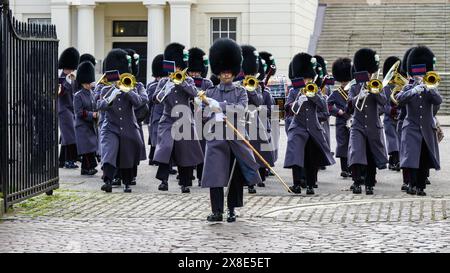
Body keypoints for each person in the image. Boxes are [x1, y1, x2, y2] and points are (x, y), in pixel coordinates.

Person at [200, 38, 262, 222]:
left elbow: (242, 109)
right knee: (215, 176)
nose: (226, 76)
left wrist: (219, 106)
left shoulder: (240, 91)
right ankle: (217, 210)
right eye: (223, 73)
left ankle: (232, 209)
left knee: (234, 178)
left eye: (229, 73)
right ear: (218, 73)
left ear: (234, 73)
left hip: (235, 137)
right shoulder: (209, 92)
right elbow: (202, 113)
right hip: (216, 137)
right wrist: (205, 109)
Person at [152, 43, 204, 193]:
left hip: (184, 119)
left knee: (184, 152)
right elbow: (155, 99)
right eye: (174, 67)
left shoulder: (188, 80)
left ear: (182, 67)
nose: (176, 70)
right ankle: (163, 180)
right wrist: (165, 88)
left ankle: (185, 182)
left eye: (178, 68)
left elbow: (194, 94)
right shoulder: (163, 81)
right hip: (168, 119)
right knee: (166, 148)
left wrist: (181, 82)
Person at [284, 53, 335, 195]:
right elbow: (287, 110)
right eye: (305, 78)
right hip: (298, 127)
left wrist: (314, 97)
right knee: (295, 155)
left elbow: (324, 112)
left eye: (309, 79)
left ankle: (311, 185)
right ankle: (296, 184)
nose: (307, 81)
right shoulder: (294, 91)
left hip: (313, 128)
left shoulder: (316, 90)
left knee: (311, 158)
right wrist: (297, 101)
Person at [97, 49, 148, 193]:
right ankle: (108, 181)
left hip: (128, 126)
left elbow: (139, 102)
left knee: (127, 154)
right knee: (109, 152)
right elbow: (100, 106)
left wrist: (127, 91)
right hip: (110, 126)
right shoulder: (106, 89)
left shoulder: (133, 86)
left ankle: (127, 183)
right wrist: (112, 94)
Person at [396, 46, 441, 196]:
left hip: (427, 128)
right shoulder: (408, 87)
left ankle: (421, 186)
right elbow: (399, 100)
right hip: (411, 127)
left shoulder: (430, 86)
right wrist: (414, 90)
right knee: (412, 158)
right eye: (417, 74)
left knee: (423, 159)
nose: (419, 76)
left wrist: (429, 88)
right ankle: (412, 184)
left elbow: (438, 100)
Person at [347, 48, 388, 195]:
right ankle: (357, 182)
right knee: (357, 153)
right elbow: (349, 107)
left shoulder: (377, 85)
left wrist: (375, 92)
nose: (368, 75)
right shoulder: (354, 87)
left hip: (373, 126)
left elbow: (384, 102)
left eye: (369, 73)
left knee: (371, 156)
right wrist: (360, 95)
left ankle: (370, 184)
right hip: (357, 125)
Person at [239, 45, 266, 194]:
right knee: (242, 153)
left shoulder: (256, 85)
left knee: (254, 153)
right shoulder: (237, 83)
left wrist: (251, 90)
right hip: (239, 121)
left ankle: (251, 182)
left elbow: (259, 102)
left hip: (253, 121)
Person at [188, 47, 214, 187]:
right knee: (187, 150)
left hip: (202, 120)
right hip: (186, 120)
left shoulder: (207, 83)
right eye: (192, 71)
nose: (195, 74)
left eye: (197, 71)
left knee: (202, 150)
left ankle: (200, 176)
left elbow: (210, 102)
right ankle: (186, 176)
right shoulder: (185, 82)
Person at [124, 48, 149, 186]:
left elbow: (143, 99)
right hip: (117, 122)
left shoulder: (138, 85)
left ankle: (132, 175)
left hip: (134, 121)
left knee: (133, 150)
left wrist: (130, 92)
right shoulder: (113, 85)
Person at [327, 57, 352, 178]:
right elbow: (328, 105)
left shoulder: (355, 90)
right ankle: (344, 168)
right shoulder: (336, 93)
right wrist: (338, 111)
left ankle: (353, 167)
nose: (344, 83)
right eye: (342, 81)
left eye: (345, 81)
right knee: (342, 145)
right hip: (342, 121)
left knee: (354, 144)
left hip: (354, 120)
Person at [73, 61, 98, 176]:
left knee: (91, 147)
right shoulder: (78, 95)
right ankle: (88, 168)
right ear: (83, 83)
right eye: (87, 83)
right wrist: (91, 115)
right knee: (87, 149)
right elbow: (78, 112)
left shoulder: (92, 93)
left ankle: (85, 169)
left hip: (90, 125)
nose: (89, 84)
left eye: (90, 82)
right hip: (82, 126)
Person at [58, 47, 80, 169]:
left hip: (72, 109)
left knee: (67, 137)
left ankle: (61, 160)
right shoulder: (61, 78)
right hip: (63, 109)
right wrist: (67, 80)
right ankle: (69, 160)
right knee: (70, 136)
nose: (70, 70)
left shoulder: (72, 77)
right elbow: (60, 93)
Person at [382, 56, 402, 172]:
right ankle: (393, 159)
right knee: (391, 139)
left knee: (399, 138)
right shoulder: (385, 87)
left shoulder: (400, 86)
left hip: (399, 117)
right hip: (389, 118)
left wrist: (399, 111)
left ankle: (397, 159)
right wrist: (391, 111)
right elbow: (383, 104)